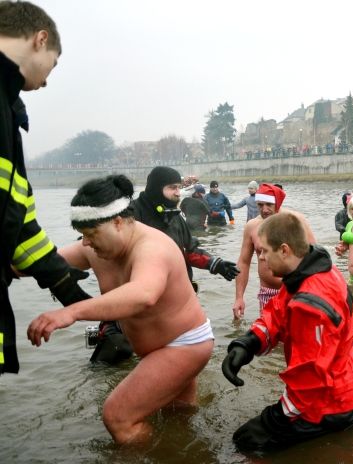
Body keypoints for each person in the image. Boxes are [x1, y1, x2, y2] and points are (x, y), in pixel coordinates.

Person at [27, 175, 214, 444]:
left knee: (118, 417)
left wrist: (70, 312)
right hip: (158, 349)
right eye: (83, 236)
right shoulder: (93, 248)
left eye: (91, 235)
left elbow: (143, 294)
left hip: (183, 344)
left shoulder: (152, 247)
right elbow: (45, 262)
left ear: (117, 222)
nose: (86, 243)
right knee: (178, 418)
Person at [221, 212, 353, 452]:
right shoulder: (312, 271)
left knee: (245, 446)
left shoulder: (310, 305)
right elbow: (277, 311)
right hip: (350, 382)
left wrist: (274, 419)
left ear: (284, 250)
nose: (260, 258)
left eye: (264, 252)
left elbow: (311, 377)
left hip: (335, 404)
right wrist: (249, 343)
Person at [0, 1, 92, 374]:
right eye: (53, 64)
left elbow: (15, 218)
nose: (48, 79)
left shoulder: (8, 108)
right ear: (40, 40)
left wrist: (64, 284)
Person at [91, 166, 238, 364]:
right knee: (118, 354)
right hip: (136, 301)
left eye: (179, 187)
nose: (178, 192)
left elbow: (190, 251)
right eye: (172, 188)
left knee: (174, 356)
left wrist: (215, 263)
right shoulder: (129, 215)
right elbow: (101, 245)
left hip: (170, 301)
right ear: (156, 188)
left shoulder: (175, 217)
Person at [232, 183, 315, 319]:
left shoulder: (296, 220)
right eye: (260, 205)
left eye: (268, 205)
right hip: (268, 292)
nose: (264, 210)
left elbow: (314, 255)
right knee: (269, 336)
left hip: (297, 291)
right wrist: (239, 298)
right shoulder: (252, 226)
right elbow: (244, 262)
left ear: (278, 202)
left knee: (297, 336)